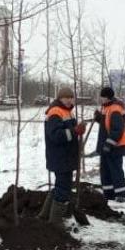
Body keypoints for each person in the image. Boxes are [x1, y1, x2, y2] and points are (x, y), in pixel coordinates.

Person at [38, 87, 86, 225]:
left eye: (71, 97)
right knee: (63, 188)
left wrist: (78, 130)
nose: (70, 100)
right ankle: (54, 222)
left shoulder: (68, 112)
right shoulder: (55, 112)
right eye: (67, 97)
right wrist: (75, 131)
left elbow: (71, 132)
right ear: (60, 98)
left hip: (66, 157)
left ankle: (44, 216)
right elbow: (56, 136)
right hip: (60, 157)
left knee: (61, 186)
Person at [92, 87, 125, 202]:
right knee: (105, 169)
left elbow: (117, 129)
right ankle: (109, 193)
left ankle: (121, 194)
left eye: (102, 97)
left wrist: (109, 144)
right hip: (106, 144)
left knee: (115, 169)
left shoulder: (115, 109)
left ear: (107, 97)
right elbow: (106, 125)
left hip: (115, 145)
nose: (100, 99)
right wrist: (99, 118)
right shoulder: (106, 107)